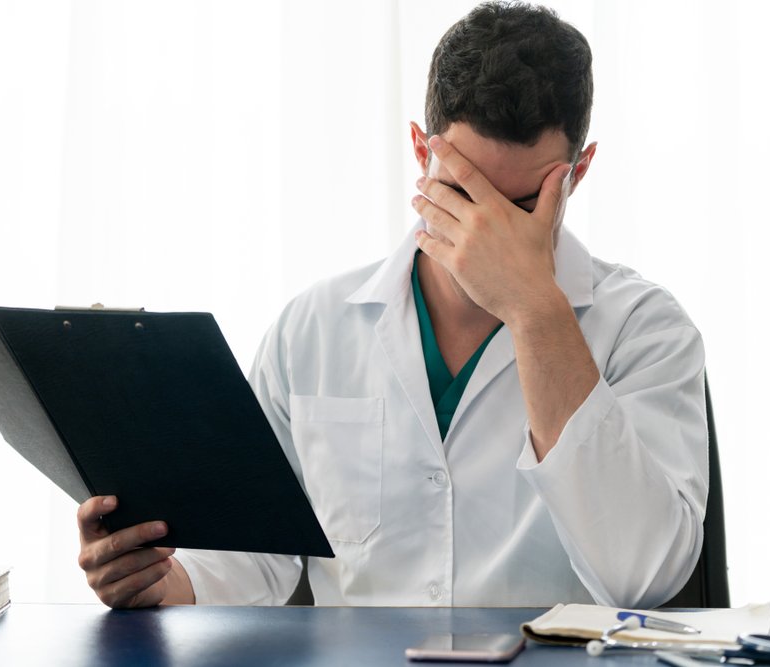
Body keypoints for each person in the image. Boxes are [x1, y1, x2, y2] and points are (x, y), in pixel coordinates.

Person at [76, 1, 707, 609]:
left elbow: (642, 577)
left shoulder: (644, 330)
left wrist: (536, 310)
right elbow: (253, 556)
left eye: (519, 209)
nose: (488, 233)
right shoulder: (312, 329)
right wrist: (155, 581)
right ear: (420, 150)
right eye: (463, 192)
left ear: (578, 171)